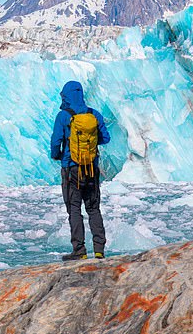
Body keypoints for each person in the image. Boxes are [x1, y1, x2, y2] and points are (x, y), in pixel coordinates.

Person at [50, 81, 110, 261]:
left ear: (65, 96)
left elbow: (55, 141)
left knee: (74, 209)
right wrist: (89, 144)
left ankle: (79, 250)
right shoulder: (94, 114)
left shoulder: (63, 116)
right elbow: (105, 138)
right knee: (93, 208)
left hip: (71, 168)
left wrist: (58, 155)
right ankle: (99, 250)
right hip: (91, 167)